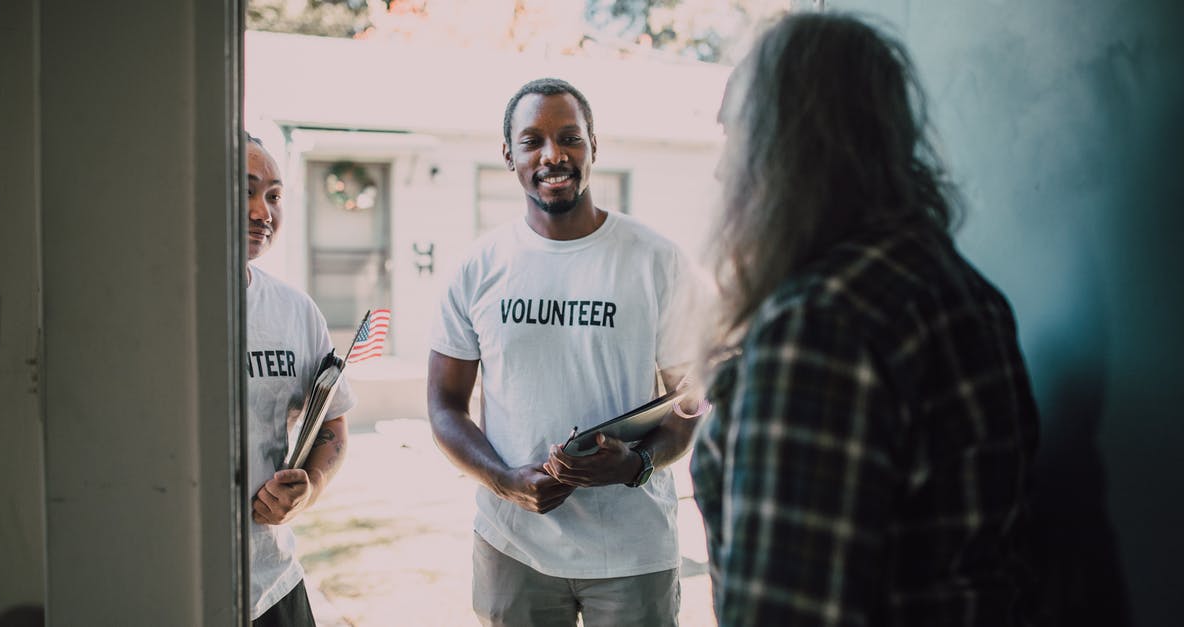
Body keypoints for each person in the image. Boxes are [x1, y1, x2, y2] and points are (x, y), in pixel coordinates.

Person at [689, 13, 1039, 626]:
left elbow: (790, 612)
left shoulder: (821, 325)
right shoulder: (961, 290)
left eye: (735, 137)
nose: (723, 171)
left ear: (786, 147)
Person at [427, 77, 704, 626]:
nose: (553, 155)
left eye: (570, 138)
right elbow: (443, 405)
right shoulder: (478, 268)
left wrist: (637, 463)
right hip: (513, 546)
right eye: (532, 140)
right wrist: (504, 481)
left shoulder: (656, 260)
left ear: (593, 146)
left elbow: (688, 401)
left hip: (633, 551)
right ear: (509, 155)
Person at [244, 134, 355, 626]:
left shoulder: (294, 311)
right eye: (244, 189)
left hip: (272, 584)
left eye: (273, 195)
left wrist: (309, 487)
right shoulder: (152, 309)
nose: (261, 211)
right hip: (168, 581)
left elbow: (332, 423)